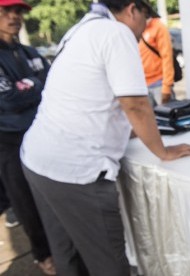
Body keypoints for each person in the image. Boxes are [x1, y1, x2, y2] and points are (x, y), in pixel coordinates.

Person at [20, 1, 190, 275]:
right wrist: (162, 151)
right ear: (132, 9)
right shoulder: (116, 33)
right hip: (76, 171)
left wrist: (131, 132)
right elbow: (135, 105)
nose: (144, 30)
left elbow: (94, 99)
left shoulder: (82, 28)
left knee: (69, 257)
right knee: (108, 264)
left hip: (38, 158)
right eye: (146, 19)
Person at [0, 0, 55, 274]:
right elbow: (8, 99)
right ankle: (43, 254)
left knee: (51, 195)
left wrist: (30, 86)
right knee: (25, 202)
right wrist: (36, 84)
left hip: (43, 136)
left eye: (18, 11)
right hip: (10, 143)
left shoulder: (29, 51)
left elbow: (54, 82)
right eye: (5, 11)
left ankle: (57, 246)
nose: (14, 17)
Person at [139, 11, 175, 106]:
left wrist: (166, 87)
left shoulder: (158, 26)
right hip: (142, 86)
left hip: (159, 83)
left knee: (166, 117)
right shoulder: (133, 28)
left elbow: (167, 57)